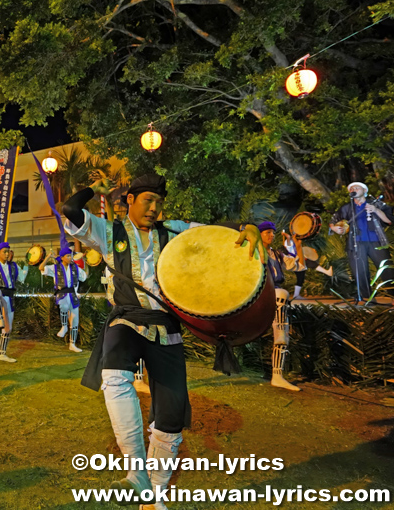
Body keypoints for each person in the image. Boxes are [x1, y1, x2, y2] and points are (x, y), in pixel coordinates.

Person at [62, 174, 264, 508]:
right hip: (126, 319)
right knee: (113, 375)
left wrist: (249, 225)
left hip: (166, 327)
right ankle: (136, 472)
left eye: (158, 202)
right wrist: (94, 191)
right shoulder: (107, 231)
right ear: (130, 200)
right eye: (147, 201)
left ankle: (153, 495)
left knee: (170, 418)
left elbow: (217, 233)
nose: (154, 209)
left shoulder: (173, 231)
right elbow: (70, 208)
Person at [259, 222, 306, 392]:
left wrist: (298, 244)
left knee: (282, 335)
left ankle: (277, 376)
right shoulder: (253, 252)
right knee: (281, 294)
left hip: (277, 295)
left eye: (272, 233)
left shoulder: (278, 254)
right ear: (259, 235)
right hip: (261, 294)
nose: (271, 235)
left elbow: (299, 266)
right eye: (267, 233)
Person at [329, 182, 393, 303]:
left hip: (377, 241)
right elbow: (333, 220)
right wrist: (333, 228)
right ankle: (367, 299)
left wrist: (376, 210)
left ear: (365, 191)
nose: (353, 189)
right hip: (356, 243)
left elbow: (389, 220)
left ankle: (393, 296)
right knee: (360, 272)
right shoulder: (347, 207)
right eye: (351, 188)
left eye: (357, 187)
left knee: (387, 269)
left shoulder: (376, 203)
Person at [39, 246, 87, 352]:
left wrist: (84, 262)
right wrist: (48, 257)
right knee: (64, 305)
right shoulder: (55, 267)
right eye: (68, 256)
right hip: (62, 294)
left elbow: (84, 276)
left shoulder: (75, 268)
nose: (70, 258)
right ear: (62, 257)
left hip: (73, 295)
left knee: (75, 320)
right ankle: (64, 326)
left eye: (71, 256)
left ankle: (72, 344)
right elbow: (41, 268)